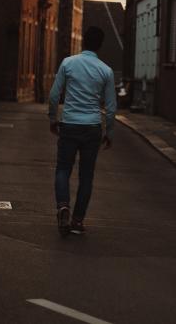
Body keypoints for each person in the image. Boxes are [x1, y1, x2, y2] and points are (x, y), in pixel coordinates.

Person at [48, 26, 117, 236]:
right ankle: (77, 220)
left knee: (63, 169)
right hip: (92, 128)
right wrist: (109, 133)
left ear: (83, 42)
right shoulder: (106, 70)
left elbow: (53, 96)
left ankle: (63, 206)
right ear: (100, 45)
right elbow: (111, 108)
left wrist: (53, 119)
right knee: (86, 175)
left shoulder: (68, 63)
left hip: (69, 124)